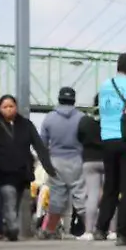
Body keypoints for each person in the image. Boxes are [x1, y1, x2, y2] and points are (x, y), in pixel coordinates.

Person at [0, 95, 56, 241]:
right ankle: (13, 228)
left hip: (22, 172)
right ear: (0, 108)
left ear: (16, 107)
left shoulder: (26, 125)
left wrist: (49, 168)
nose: (9, 109)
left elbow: (39, 146)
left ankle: (9, 228)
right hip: (2, 171)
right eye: (5, 107)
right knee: (9, 198)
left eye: (11, 106)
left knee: (15, 202)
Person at [95, 53, 126, 245]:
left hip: (107, 139)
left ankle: (101, 228)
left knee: (110, 187)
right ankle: (124, 233)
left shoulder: (105, 86)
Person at [37, 87, 88, 239]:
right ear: (74, 100)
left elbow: (42, 145)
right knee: (81, 196)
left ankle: (50, 230)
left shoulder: (49, 118)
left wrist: (46, 165)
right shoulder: (82, 117)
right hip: (77, 160)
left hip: (56, 161)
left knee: (56, 198)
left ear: (59, 99)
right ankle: (92, 228)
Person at [76, 97, 105, 241]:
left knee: (92, 195)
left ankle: (88, 231)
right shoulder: (111, 119)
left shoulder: (85, 121)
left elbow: (79, 137)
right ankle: (111, 230)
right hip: (108, 159)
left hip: (89, 160)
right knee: (109, 195)